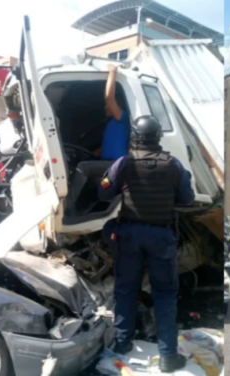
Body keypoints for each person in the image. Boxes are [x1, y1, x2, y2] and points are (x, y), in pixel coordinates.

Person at [97, 115, 194, 372]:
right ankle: (168, 356)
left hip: (128, 236)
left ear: (135, 137)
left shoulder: (124, 163)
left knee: (126, 290)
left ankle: (122, 344)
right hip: (161, 238)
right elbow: (187, 199)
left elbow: (103, 191)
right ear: (158, 137)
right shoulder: (173, 165)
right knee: (164, 295)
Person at [64, 64, 131, 216]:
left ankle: (68, 208)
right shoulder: (113, 124)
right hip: (109, 163)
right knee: (85, 174)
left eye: (109, 106)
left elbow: (108, 98)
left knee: (83, 168)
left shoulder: (122, 116)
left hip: (116, 164)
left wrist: (112, 72)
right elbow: (114, 142)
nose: (105, 108)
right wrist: (97, 151)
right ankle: (86, 207)